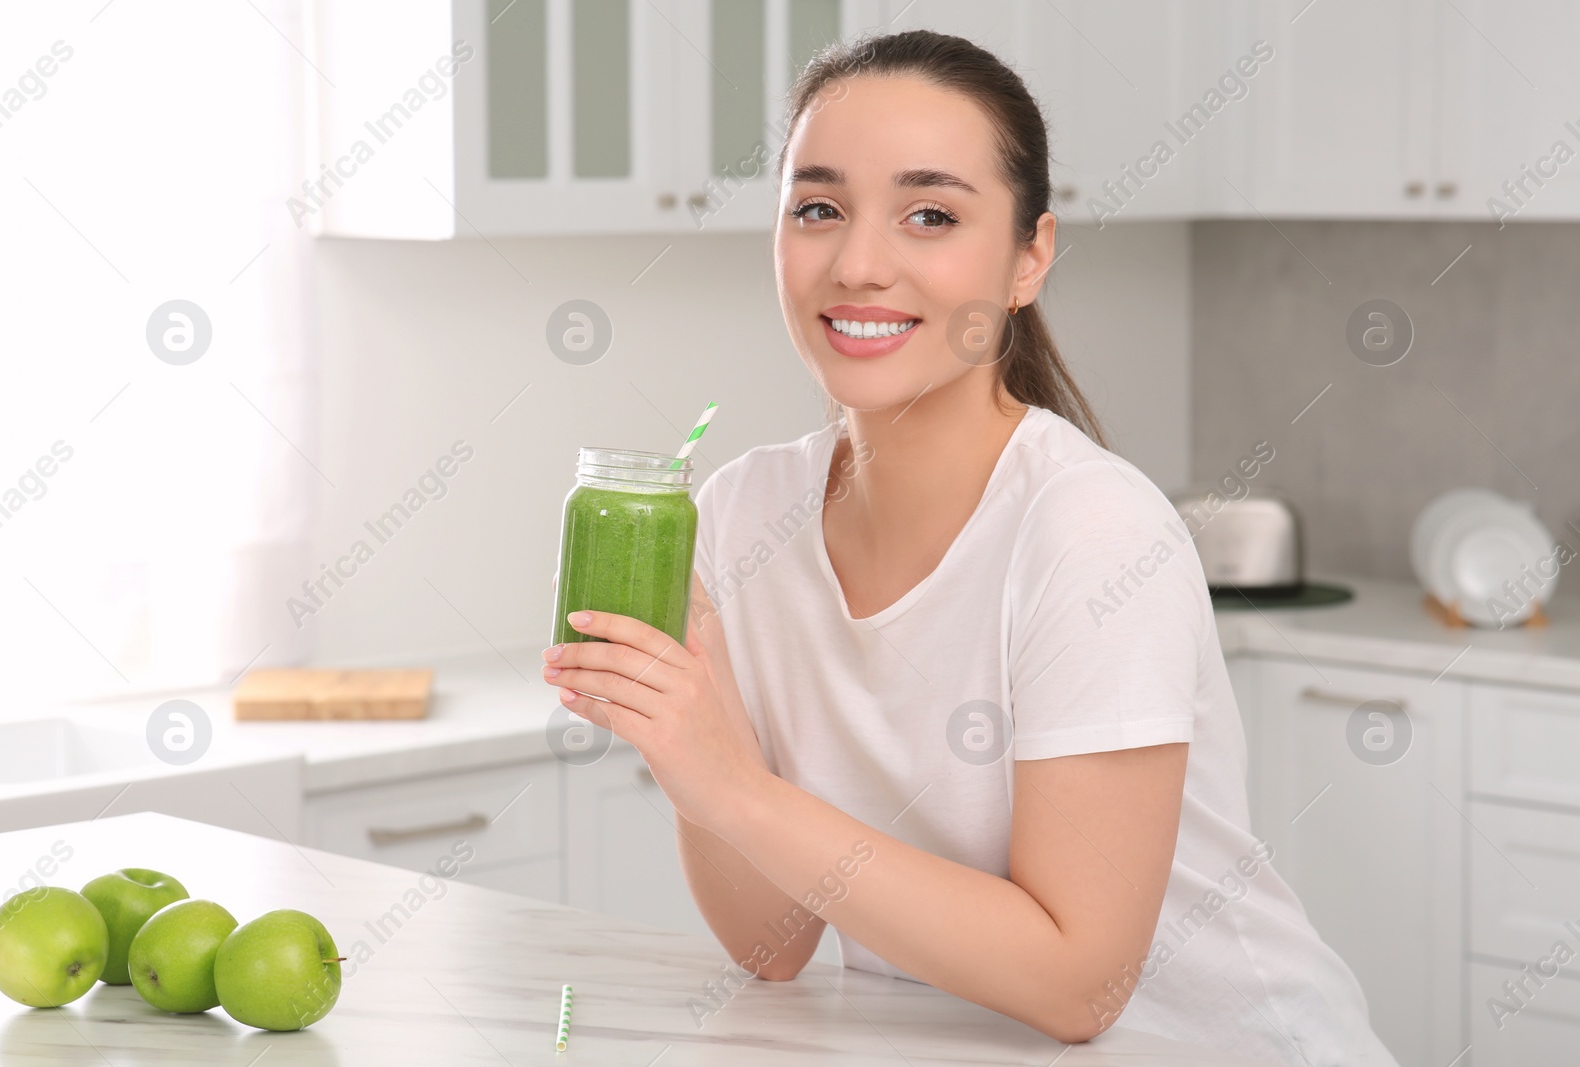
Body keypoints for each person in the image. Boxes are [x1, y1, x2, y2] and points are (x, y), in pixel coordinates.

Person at [539, 28, 1400, 1067]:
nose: (858, 262)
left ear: (1028, 256)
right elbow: (771, 942)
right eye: (818, 208)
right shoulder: (736, 513)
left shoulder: (1089, 531)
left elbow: (1080, 983)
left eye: (930, 215)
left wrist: (735, 787)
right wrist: (686, 749)